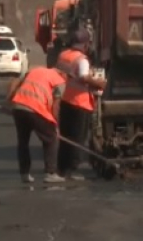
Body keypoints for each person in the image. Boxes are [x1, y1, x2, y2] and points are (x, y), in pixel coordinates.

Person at [56, 28, 107, 180]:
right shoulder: (81, 60)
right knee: (78, 137)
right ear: (85, 44)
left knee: (65, 136)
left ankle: (62, 168)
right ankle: (72, 170)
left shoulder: (63, 56)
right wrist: (100, 84)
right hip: (80, 103)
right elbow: (84, 77)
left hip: (65, 100)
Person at [6, 66, 68, 184]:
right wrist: (56, 127)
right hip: (35, 108)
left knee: (23, 141)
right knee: (51, 139)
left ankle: (24, 173)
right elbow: (56, 107)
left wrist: (10, 101)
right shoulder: (60, 81)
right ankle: (50, 173)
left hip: (18, 107)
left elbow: (15, 81)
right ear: (63, 74)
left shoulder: (36, 70)